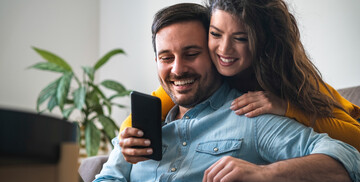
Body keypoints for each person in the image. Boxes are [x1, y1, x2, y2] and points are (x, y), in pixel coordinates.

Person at [86, 3, 360, 182]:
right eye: (165, 57)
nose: (178, 68)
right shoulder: (148, 119)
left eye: (192, 54)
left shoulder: (253, 114)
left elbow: (347, 158)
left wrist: (262, 175)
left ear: (213, 57)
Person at [119, 0, 360, 152]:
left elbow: (355, 137)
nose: (224, 50)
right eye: (215, 34)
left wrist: (285, 107)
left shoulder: (285, 76)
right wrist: (127, 137)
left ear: (262, 41)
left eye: (241, 38)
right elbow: (151, 106)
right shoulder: (207, 70)